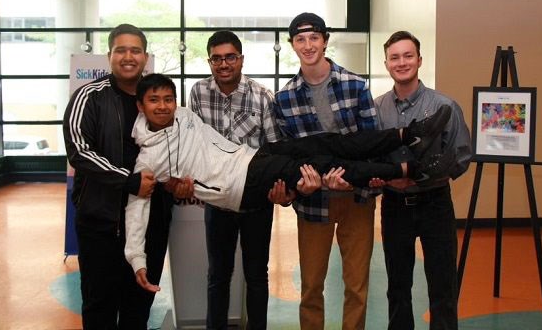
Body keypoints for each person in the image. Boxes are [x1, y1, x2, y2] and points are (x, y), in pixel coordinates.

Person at [124, 73, 452, 292]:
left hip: (250, 157)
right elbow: (136, 210)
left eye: (168, 98)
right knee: (321, 165)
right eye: (154, 100)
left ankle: (409, 134)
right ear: (141, 106)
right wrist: (137, 259)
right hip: (239, 187)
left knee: (327, 142)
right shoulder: (148, 161)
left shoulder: (183, 114)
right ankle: (412, 169)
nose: (164, 106)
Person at [272, 12, 379, 330]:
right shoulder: (284, 98)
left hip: (356, 199)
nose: (308, 45)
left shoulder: (355, 86)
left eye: (314, 38)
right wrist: (298, 187)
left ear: (325, 41)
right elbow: (286, 156)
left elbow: (372, 143)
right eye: (300, 40)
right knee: (311, 287)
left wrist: (353, 179)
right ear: (292, 45)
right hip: (313, 202)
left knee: (357, 286)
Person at [63, 23, 172, 329]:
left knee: (139, 307)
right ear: (109, 55)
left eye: (135, 50)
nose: (128, 56)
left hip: (150, 224)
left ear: (145, 56)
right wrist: (129, 181)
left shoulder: (157, 99)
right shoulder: (89, 96)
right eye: (121, 50)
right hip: (101, 223)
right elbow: (79, 152)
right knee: (100, 307)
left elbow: (177, 150)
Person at [375, 30, 472, 330]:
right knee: (398, 286)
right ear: (386, 63)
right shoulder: (377, 109)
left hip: (435, 204)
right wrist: (388, 181)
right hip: (395, 207)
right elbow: (370, 157)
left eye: (407, 56)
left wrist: (428, 175)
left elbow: (462, 155)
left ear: (419, 60)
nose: (401, 62)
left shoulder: (445, 106)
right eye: (395, 57)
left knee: (443, 286)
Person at [189, 30, 281, 330]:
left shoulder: (262, 96)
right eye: (216, 58)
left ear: (241, 59)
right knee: (218, 274)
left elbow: (273, 148)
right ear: (210, 61)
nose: (223, 64)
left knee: (257, 275)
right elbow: (194, 143)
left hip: (255, 201)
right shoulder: (198, 93)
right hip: (217, 200)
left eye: (230, 57)